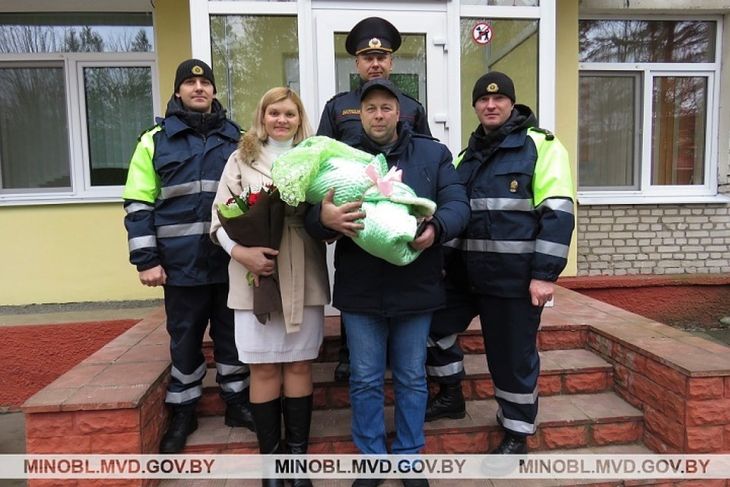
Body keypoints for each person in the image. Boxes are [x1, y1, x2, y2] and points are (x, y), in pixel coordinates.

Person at [306, 78, 470, 487]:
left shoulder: (432, 154)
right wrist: (323, 221)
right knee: (364, 377)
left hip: (417, 285)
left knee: (413, 376)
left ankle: (410, 458)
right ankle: (373, 460)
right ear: (359, 115)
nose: (378, 115)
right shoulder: (341, 158)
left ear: (400, 112)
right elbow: (308, 211)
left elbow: (458, 203)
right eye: (370, 108)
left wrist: (436, 228)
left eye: (386, 107)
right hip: (361, 289)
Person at [425, 71, 575, 454]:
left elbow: (557, 212)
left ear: (512, 103)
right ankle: (451, 394)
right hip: (464, 275)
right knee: (429, 327)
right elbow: (456, 214)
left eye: (499, 99)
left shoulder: (542, 147)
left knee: (511, 358)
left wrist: (544, 276)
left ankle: (516, 432)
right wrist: (440, 261)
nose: (490, 105)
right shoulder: (464, 156)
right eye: (482, 100)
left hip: (515, 280)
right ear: (475, 106)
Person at [123, 59, 255, 454]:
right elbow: (137, 205)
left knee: (233, 337)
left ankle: (236, 402)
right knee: (185, 340)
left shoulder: (240, 139)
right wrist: (146, 260)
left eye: (205, 83)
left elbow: (256, 197)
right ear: (178, 91)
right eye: (190, 82)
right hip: (179, 265)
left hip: (230, 260)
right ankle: (184, 410)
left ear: (214, 91)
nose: (199, 88)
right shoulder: (154, 140)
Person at [211, 87, 330, 487]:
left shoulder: (314, 158)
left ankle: (296, 464)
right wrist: (240, 251)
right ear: (262, 118)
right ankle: (271, 468)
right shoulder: (240, 158)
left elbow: (326, 212)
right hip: (253, 272)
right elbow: (218, 218)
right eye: (274, 113)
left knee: (298, 363)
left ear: (300, 120)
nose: (281, 120)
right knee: (262, 368)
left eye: (290, 114)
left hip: (303, 265)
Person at [317, 16, 432, 382]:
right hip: (355, 216)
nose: (375, 63)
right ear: (357, 63)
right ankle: (350, 352)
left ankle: (402, 349)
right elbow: (323, 159)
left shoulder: (411, 106)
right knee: (356, 281)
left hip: (396, 213)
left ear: (392, 62)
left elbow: (426, 160)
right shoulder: (338, 108)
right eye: (367, 57)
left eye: (382, 57)